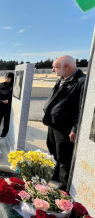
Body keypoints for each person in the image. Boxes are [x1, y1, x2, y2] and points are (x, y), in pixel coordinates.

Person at [42, 55, 85, 190]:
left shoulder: (81, 82)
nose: (53, 70)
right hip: (53, 124)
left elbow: (82, 108)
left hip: (65, 127)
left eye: (55, 67)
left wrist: (75, 128)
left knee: (64, 156)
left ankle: (64, 185)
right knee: (53, 148)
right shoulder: (63, 79)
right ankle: (56, 175)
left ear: (66, 66)